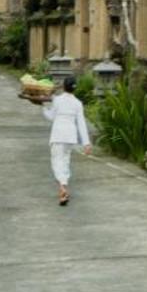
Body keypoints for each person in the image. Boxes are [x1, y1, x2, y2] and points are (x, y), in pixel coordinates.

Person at [42, 75, 92, 206]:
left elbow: (50, 117)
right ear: (74, 89)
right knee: (65, 161)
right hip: (70, 136)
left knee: (56, 161)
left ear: (64, 87)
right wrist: (86, 143)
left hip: (58, 134)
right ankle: (64, 187)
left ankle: (63, 188)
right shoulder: (78, 103)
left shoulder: (57, 100)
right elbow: (81, 123)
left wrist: (43, 106)